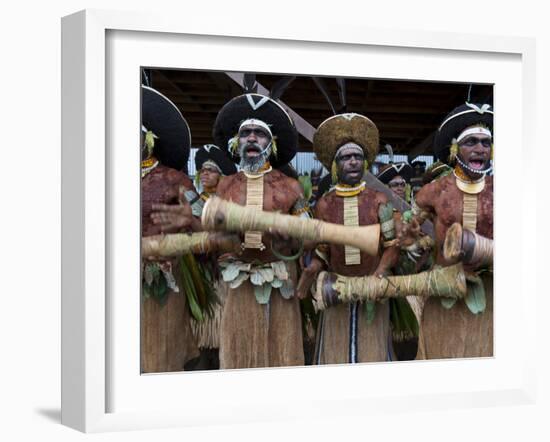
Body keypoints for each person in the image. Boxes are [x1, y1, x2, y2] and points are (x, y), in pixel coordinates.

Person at [297, 113, 400, 364]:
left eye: (358, 157)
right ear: (335, 164)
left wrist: (380, 274)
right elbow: (323, 249)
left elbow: (391, 245)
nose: (353, 162)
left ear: (365, 163)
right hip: (336, 291)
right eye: (346, 157)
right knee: (336, 353)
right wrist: (314, 265)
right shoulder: (324, 204)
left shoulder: (379, 200)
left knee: (373, 355)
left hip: (372, 288)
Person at [404, 102, 494, 359]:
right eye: (471, 142)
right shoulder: (435, 191)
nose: (480, 149)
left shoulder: (502, 189)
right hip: (443, 290)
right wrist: (412, 240)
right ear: (455, 148)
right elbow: (410, 232)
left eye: (486, 143)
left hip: (489, 292)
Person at [140, 85, 199, 373]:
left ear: (148, 138)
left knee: (160, 352)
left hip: (162, 277)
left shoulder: (175, 179)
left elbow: (204, 222)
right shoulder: (102, 175)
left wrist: (189, 220)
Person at [187, 144, 237, 370]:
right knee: (202, 323)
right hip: (202, 271)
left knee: (221, 320)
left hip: (224, 271)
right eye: (203, 170)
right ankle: (203, 357)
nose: (205, 173)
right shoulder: (194, 202)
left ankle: (220, 358)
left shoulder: (230, 204)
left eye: (211, 170)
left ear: (222, 175)